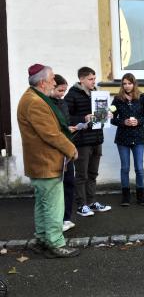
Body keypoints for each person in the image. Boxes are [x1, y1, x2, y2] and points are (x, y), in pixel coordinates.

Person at [17, 64, 79, 258]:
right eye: (52, 78)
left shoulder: (32, 97)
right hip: (46, 163)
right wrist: (71, 148)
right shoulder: (36, 102)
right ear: (43, 82)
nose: (55, 81)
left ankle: (42, 239)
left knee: (43, 203)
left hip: (40, 162)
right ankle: (55, 243)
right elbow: (51, 134)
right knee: (53, 205)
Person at [65, 66, 112, 216]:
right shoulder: (72, 95)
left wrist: (106, 115)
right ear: (81, 79)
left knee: (93, 173)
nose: (94, 81)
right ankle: (81, 205)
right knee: (81, 175)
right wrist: (82, 118)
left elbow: (99, 116)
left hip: (97, 138)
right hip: (82, 141)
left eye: (94, 78)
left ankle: (91, 202)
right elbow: (65, 118)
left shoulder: (96, 94)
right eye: (91, 79)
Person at [111, 73, 144, 206]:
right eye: (124, 83)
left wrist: (138, 122)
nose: (127, 86)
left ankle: (141, 195)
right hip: (122, 137)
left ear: (134, 84)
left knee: (139, 168)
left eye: (129, 83)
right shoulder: (117, 99)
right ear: (122, 85)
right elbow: (111, 118)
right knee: (125, 168)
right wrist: (124, 122)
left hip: (138, 137)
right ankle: (125, 196)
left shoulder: (142, 98)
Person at [50, 74, 79, 232]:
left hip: (68, 148)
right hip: (57, 152)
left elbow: (66, 123)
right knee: (57, 187)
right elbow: (52, 130)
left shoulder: (63, 103)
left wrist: (71, 127)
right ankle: (57, 220)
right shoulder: (47, 105)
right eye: (60, 90)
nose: (63, 94)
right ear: (52, 87)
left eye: (64, 90)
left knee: (69, 183)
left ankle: (66, 218)